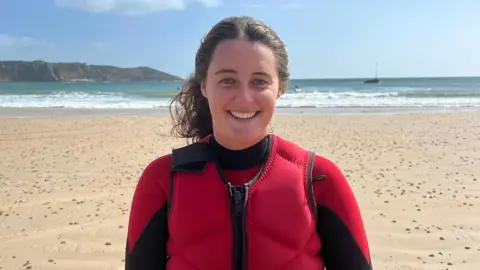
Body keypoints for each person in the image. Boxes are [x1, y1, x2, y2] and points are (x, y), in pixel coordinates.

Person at [125, 16, 372, 270]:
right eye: (228, 80)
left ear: (280, 88)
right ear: (204, 86)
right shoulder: (162, 179)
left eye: (259, 81)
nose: (244, 98)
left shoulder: (318, 178)